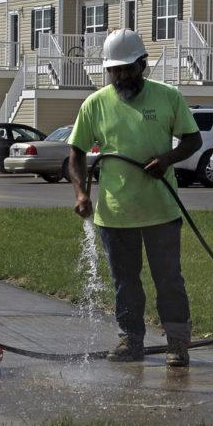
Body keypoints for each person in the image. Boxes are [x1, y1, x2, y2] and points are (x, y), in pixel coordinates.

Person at [67, 29, 203, 368]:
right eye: (116, 70)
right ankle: (130, 339)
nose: (123, 76)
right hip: (115, 214)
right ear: (108, 71)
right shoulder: (95, 104)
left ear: (143, 64)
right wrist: (82, 193)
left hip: (161, 208)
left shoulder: (167, 96)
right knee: (125, 282)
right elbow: (76, 153)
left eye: (129, 68)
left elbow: (192, 140)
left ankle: (177, 343)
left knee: (168, 280)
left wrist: (167, 160)